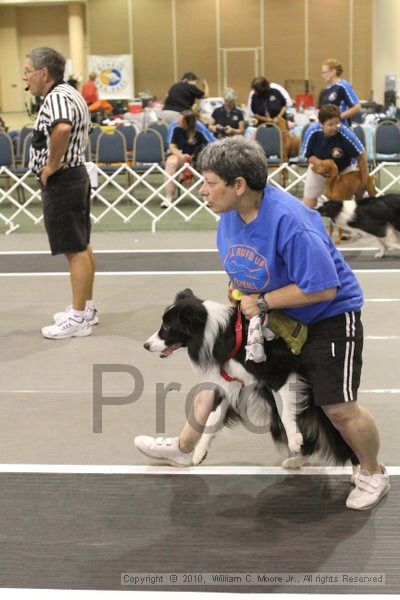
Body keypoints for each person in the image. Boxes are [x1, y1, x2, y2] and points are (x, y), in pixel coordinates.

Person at [135, 136, 390, 511]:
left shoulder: (292, 223)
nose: (202, 190)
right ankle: (184, 448)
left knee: (336, 408)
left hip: (329, 316)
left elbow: (322, 289)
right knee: (221, 371)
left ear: (239, 186)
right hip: (271, 314)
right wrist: (241, 294)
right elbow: (244, 271)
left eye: (209, 182)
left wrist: (264, 301)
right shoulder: (228, 217)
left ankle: (371, 471)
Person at [23, 46, 97, 339]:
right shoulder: (71, 93)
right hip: (75, 175)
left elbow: (62, 129)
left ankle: (78, 318)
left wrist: (51, 166)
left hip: (64, 180)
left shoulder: (56, 98)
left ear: (44, 73)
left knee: (74, 250)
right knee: (82, 244)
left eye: (28, 70)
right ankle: (86, 308)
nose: (25, 76)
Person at [302, 103, 368, 209]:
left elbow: (361, 156)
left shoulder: (347, 134)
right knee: (308, 203)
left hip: (345, 168)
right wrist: (321, 164)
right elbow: (308, 155)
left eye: (337, 123)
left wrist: (364, 181)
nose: (334, 127)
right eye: (330, 124)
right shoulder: (312, 132)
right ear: (321, 124)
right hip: (320, 168)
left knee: (348, 204)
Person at [162, 109, 212, 207]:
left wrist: (197, 155)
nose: (177, 122)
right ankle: (168, 198)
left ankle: (206, 197)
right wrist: (181, 156)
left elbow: (208, 146)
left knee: (201, 164)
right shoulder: (176, 130)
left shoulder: (199, 131)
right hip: (180, 156)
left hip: (196, 157)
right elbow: (172, 147)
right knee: (171, 162)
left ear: (187, 122)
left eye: (180, 120)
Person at [320, 58, 361, 126]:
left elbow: (357, 107)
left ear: (333, 72)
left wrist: (337, 118)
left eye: (325, 72)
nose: (323, 75)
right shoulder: (326, 90)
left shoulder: (343, 86)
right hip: (328, 129)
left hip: (341, 127)